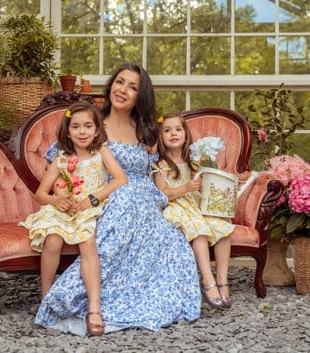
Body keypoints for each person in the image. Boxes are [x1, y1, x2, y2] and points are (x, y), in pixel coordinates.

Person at [35, 63, 201, 336]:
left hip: (146, 199)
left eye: (133, 87)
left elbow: (170, 163)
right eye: (120, 82)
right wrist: (66, 197)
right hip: (106, 196)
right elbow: (63, 166)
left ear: (140, 96)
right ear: (111, 84)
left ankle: (143, 294)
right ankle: (83, 299)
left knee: (171, 240)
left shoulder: (146, 132)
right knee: (125, 201)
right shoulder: (90, 123)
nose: (123, 90)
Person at [20, 101, 127, 336]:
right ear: (67, 131)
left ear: (97, 130)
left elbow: (120, 179)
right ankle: (46, 296)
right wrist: (57, 201)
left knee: (87, 243)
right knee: (53, 240)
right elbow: (40, 193)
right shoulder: (61, 159)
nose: (82, 132)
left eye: (88, 126)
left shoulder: (101, 153)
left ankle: (94, 308)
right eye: (76, 127)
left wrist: (94, 199)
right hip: (63, 210)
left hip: (88, 209)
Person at [154, 113, 235, 309]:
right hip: (175, 207)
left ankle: (222, 279)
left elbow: (205, 183)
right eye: (167, 130)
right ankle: (207, 282)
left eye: (178, 129)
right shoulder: (161, 165)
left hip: (194, 205)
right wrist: (186, 188)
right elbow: (162, 195)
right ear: (161, 137)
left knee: (223, 229)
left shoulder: (193, 160)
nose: (173, 133)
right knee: (198, 231)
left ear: (185, 134)